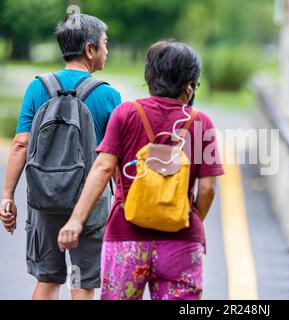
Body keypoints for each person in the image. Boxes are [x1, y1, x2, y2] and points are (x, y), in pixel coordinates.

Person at [57, 40, 224, 300]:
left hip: (126, 237)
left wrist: (76, 221)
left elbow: (102, 168)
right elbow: (208, 189)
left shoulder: (126, 114)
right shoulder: (201, 123)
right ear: (189, 86)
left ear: (149, 77)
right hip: (180, 242)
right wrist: (186, 219)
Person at [0, 14, 121, 300]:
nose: (107, 50)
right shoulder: (108, 96)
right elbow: (114, 157)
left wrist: (7, 195)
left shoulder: (37, 87)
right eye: (105, 44)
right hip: (89, 206)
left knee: (48, 279)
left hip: (45, 201)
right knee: (81, 283)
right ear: (90, 50)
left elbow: (20, 144)